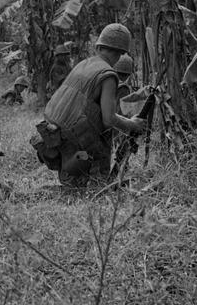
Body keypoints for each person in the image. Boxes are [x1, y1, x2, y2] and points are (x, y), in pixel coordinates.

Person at [31, 23, 146, 186]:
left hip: (54, 130)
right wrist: (132, 124)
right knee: (97, 185)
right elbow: (108, 119)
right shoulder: (108, 75)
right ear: (120, 53)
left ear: (99, 46)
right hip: (77, 137)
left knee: (75, 181)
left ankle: (74, 179)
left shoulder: (83, 64)